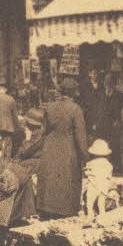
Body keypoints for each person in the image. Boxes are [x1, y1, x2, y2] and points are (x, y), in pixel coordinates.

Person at [35, 76, 89, 218]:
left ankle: (45, 207)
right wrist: (85, 157)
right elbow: (80, 136)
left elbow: (44, 130)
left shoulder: (50, 107)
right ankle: (64, 211)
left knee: (50, 178)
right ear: (74, 92)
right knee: (66, 178)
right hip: (67, 148)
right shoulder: (75, 109)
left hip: (50, 147)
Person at [82, 139, 117, 218]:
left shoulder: (90, 163)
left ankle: (90, 214)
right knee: (101, 202)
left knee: (89, 202)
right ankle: (102, 214)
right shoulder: (108, 164)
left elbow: (86, 173)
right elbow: (109, 175)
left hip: (93, 185)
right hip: (103, 185)